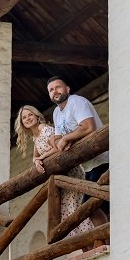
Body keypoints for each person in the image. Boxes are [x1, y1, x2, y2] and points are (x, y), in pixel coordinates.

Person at [14, 105, 94, 239]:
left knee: (76, 209)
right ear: (22, 123)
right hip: (60, 178)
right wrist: (36, 161)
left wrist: (42, 158)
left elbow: (58, 147)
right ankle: (85, 244)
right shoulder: (36, 136)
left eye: (30, 115)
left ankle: (94, 241)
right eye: (24, 117)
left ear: (37, 116)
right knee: (68, 214)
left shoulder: (45, 129)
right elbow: (35, 156)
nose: (28, 118)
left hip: (70, 173)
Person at [46, 76, 109, 213]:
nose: (55, 91)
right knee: (98, 209)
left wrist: (66, 139)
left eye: (58, 87)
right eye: (51, 90)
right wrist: (61, 142)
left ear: (67, 89)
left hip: (103, 161)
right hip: (88, 166)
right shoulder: (56, 112)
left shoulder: (76, 102)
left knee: (90, 209)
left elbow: (88, 127)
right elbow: (57, 137)